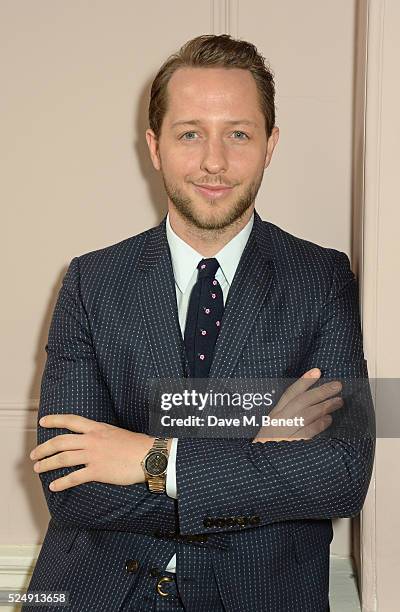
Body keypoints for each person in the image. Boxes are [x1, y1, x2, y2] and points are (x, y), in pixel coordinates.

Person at [24, 34, 375, 611]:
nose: (215, 161)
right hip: (100, 594)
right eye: (190, 134)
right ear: (155, 146)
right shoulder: (92, 281)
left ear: (270, 145)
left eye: (238, 134)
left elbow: (339, 474)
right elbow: (72, 486)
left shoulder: (323, 278)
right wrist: (258, 440)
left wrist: (148, 458)